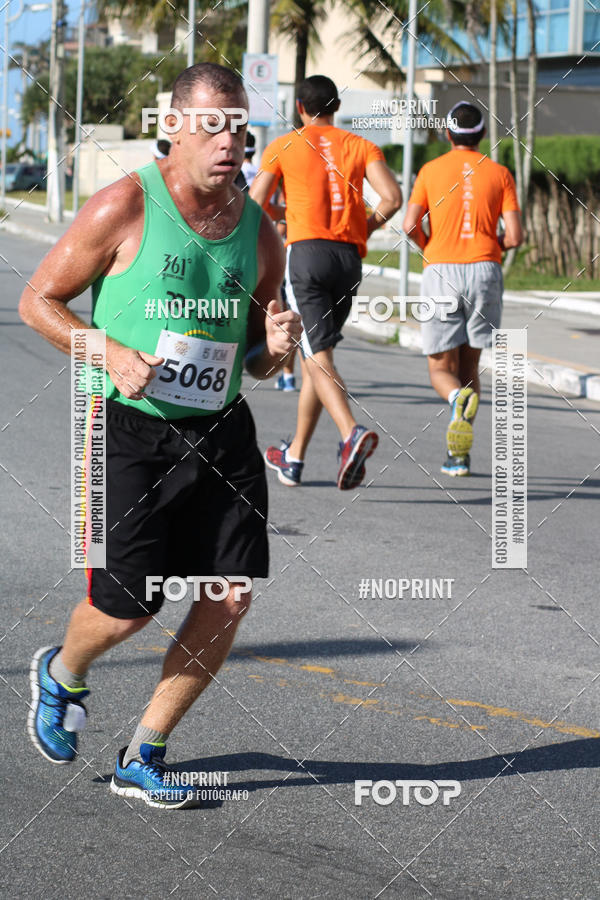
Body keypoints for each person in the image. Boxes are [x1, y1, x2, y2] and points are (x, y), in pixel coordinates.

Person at [19, 62, 301, 808]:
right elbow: (38, 302)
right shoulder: (123, 205)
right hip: (127, 429)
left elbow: (256, 355)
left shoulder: (260, 233)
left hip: (220, 431)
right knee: (128, 609)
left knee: (229, 596)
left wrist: (276, 348)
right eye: (212, 125)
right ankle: (62, 673)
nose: (229, 140)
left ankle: (144, 754)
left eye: (239, 126)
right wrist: (108, 351)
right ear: (172, 127)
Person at [250, 75, 402, 489]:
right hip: (348, 259)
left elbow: (254, 203)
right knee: (317, 356)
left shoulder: (283, 145)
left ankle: (350, 432)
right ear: (336, 106)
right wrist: (363, 228)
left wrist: (274, 229)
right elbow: (392, 198)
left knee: (317, 356)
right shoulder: (362, 146)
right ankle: (295, 457)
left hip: (307, 256)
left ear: (300, 108)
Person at [403, 101, 523, 476]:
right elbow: (515, 236)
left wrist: (430, 247)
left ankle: (455, 398)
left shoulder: (430, 170)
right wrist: (489, 248)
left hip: (441, 270)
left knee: (441, 368)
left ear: (447, 133)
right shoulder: (500, 173)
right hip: (485, 270)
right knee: (470, 364)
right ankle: (459, 456)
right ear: (482, 134)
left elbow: (409, 225)